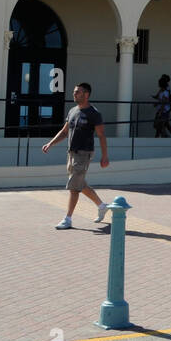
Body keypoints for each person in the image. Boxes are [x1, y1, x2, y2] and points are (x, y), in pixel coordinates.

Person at [42, 82, 110, 230]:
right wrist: (50, 143)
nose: (74, 94)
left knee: (73, 186)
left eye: (77, 92)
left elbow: (101, 135)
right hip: (71, 153)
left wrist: (105, 156)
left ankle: (68, 219)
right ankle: (102, 206)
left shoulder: (94, 113)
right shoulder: (72, 111)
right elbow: (65, 131)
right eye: (74, 91)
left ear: (86, 95)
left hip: (84, 153)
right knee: (79, 184)